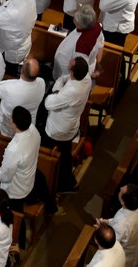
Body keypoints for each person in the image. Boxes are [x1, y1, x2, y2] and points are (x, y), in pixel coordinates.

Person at [44, 56, 93, 193]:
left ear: (73, 72)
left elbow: (49, 103)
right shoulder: (86, 78)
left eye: (69, 67)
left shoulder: (71, 91)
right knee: (65, 156)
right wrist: (64, 78)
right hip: (70, 126)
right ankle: (70, 184)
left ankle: (54, 183)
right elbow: (68, 77)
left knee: (49, 157)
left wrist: (58, 84)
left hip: (58, 129)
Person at [0, 105, 40, 205]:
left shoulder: (14, 149)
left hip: (14, 190)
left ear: (14, 124)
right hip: (27, 181)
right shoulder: (34, 130)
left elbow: (5, 175)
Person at [0, 58, 45, 139]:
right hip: (29, 123)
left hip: (9, 125)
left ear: (21, 71)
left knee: (5, 138)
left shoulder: (11, 88)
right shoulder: (41, 83)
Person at [101, 184, 138, 267]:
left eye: (121, 191)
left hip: (124, 257)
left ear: (123, 202)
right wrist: (109, 222)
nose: (120, 188)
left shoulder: (122, 224)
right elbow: (121, 220)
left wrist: (101, 229)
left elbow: (110, 244)